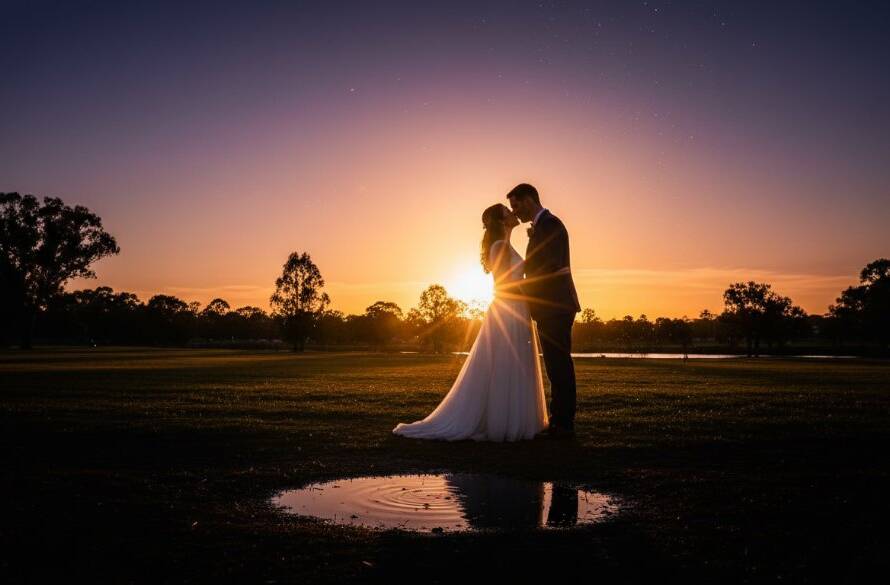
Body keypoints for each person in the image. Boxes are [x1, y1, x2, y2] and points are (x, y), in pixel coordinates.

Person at [392, 203, 549, 441]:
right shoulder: (499, 247)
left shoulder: (506, 245)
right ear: (501, 221)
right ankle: (501, 423)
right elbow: (503, 283)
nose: (513, 213)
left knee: (516, 364)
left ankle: (517, 419)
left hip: (518, 309)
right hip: (508, 310)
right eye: (508, 212)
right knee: (505, 363)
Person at [507, 183, 580, 438]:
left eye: (516, 205)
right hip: (550, 305)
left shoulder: (550, 225)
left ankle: (563, 424)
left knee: (559, 364)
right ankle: (560, 420)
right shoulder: (542, 226)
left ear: (529, 200)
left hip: (556, 304)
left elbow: (548, 266)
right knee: (555, 364)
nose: (515, 213)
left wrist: (520, 289)